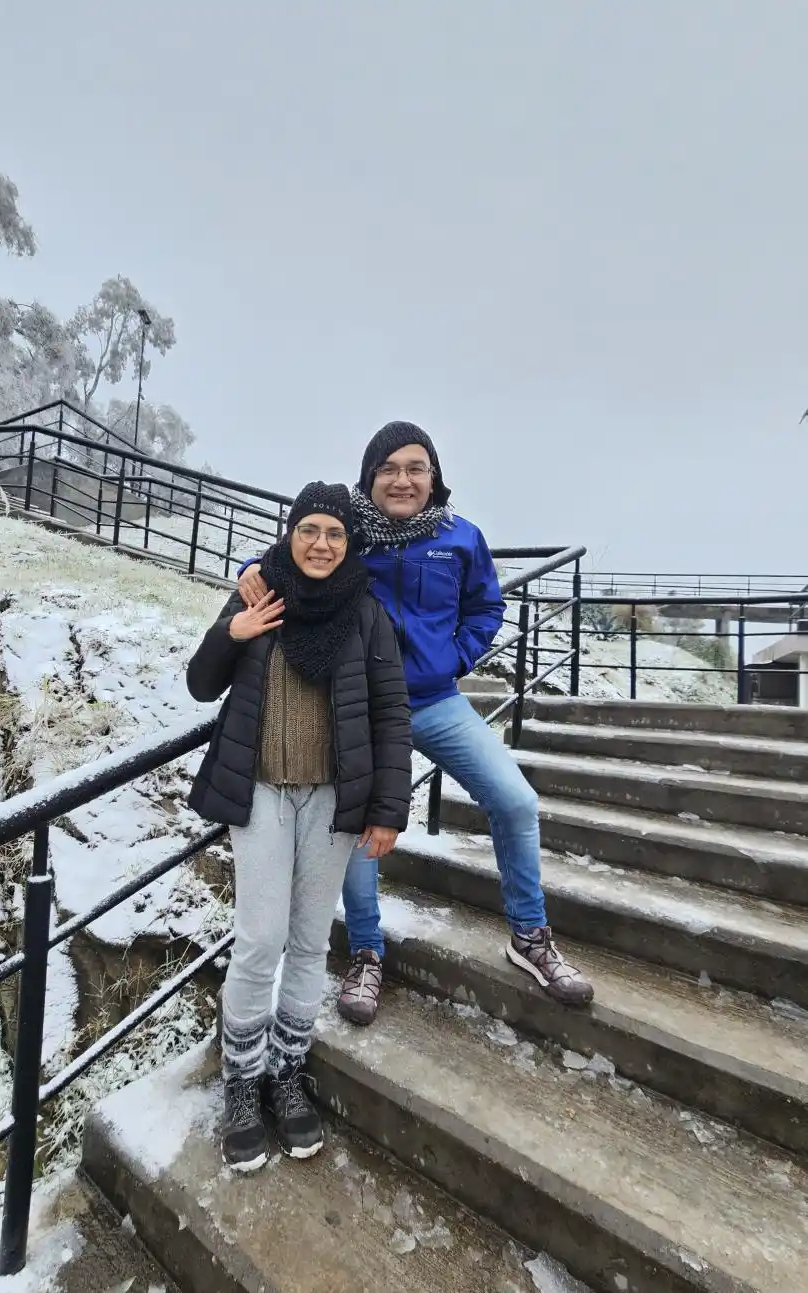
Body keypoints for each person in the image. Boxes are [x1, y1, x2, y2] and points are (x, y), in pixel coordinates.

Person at [238, 422, 594, 1024]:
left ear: (433, 477)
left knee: (515, 802)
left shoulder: (461, 537)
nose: (402, 479)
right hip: (361, 708)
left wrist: (457, 657)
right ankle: (367, 951)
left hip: (435, 701)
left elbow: (486, 606)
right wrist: (252, 563)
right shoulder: (350, 533)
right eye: (389, 468)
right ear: (370, 476)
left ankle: (530, 936)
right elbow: (298, 555)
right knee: (356, 829)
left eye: (416, 467)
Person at [186, 481, 411, 1172]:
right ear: (290, 533)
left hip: (332, 801)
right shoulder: (258, 595)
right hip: (259, 796)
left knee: (311, 940)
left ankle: (287, 1071)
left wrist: (388, 809)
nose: (321, 543)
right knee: (260, 940)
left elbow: (389, 713)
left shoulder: (367, 613)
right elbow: (201, 682)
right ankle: (242, 1082)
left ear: (349, 543)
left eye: (335, 533)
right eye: (309, 529)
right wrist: (233, 632)